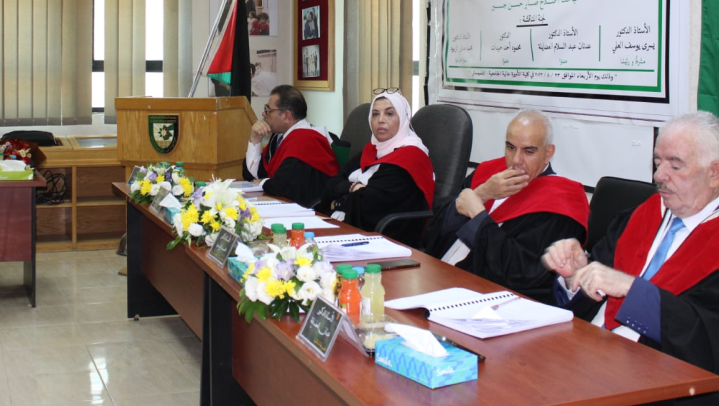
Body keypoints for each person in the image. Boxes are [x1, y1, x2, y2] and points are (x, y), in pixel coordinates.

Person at [542, 111, 719, 406]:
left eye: (675, 165)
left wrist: (634, 292)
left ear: (715, 173)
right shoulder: (641, 216)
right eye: (657, 162)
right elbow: (593, 292)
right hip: (587, 357)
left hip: (661, 388)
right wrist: (575, 275)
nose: (658, 176)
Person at [424, 109, 588, 304]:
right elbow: (433, 229)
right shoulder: (488, 173)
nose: (516, 160)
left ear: (548, 153)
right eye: (510, 147)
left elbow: (521, 272)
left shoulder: (562, 200)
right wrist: (481, 194)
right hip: (437, 274)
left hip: (486, 298)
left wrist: (478, 214)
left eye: (528, 151)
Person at [322, 90, 433, 244]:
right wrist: (352, 188)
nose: (380, 120)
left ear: (403, 119)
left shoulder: (411, 157)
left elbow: (368, 203)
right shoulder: (372, 149)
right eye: (375, 114)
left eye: (389, 114)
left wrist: (337, 202)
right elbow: (330, 185)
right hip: (350, 226)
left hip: (386, 238)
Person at [243, 84, 339, 207]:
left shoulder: (305, 140)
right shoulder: (279, 137)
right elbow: (251, 175)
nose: (263, 113)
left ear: (286, 116)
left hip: (308, 210)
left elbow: (281, 186)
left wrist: (261, 183)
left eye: (268, 109)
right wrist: (255, 140)